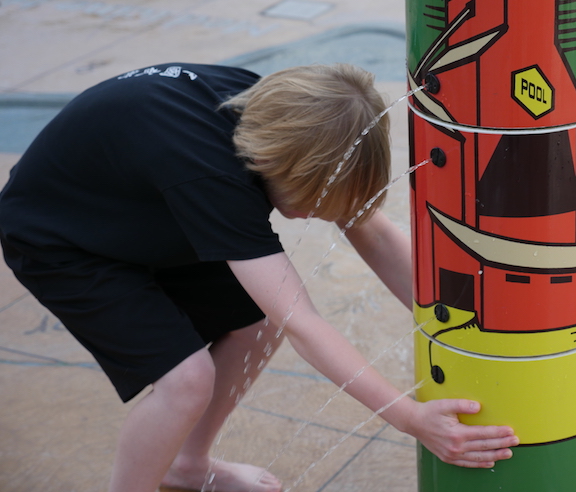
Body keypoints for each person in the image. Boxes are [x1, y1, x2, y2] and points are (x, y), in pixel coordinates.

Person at [0, 63, 518, 492]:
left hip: (138, 209)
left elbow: (374, 233)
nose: (322, 215)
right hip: (62, 239)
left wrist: (468, 319)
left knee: (256, 323)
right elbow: (304, 322)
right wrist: (410, 419)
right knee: (186, 381)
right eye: (317, 205)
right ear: (276, 166)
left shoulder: (284, 115)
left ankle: (187, 465)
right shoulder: (213, 177)